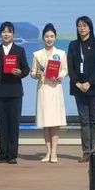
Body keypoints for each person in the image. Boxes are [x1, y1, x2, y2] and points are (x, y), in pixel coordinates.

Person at [66, 15, 95, 163]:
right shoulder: (73, 45)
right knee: (84, 120)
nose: (81, 28)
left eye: (84, 25)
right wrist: (77, 83)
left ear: (90, 27)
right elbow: (70, 67)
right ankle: (86, 151)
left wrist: (89, 83)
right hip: (79, 88)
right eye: (79, 26)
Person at [0, 21, 30, 164]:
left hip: (15, 92)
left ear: (13, 34)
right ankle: (2, 154)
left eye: (9, 32)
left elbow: (26, 69)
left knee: (13, 124)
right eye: (4, 32)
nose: (6, 34)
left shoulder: (19, 50)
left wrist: (20, 73)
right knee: (2, 124)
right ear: (0, 34)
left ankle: (12, 155)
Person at [30, 23, 67, 163]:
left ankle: (54, 152)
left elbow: (65, 70)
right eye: (47, 36)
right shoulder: (37, 54)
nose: (49, 39)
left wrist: (60, 76)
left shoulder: (61, 53)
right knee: (46, 122)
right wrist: (37, 74)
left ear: (55, 38)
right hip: (43, 89)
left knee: (55, 122)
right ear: (43, 38)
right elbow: (32, 72)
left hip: (55, 88)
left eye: (52, 36)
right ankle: (48, 152)